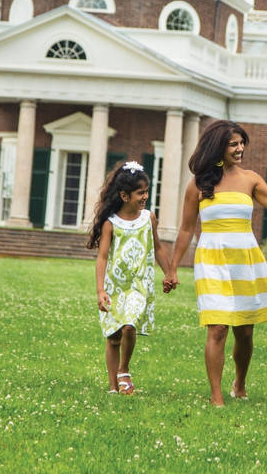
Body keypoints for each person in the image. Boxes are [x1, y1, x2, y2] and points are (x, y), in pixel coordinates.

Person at [164, 120, 267, 406]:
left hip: (245, 258)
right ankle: (216, 397)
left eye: (242, 143)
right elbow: (186, 229)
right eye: (233, 144)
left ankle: (239, 382)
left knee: (245, 331)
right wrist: (172, 267)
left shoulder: (250, 178)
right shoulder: (198, 184)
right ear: (218, 146)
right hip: (212, 258)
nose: (240, 149)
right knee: (217, 327)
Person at [87, 160, 171, 395]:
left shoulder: (148, 219)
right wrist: (100, 291)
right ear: (124, 196)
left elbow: (158, 248)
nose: (145, 196)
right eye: (140, 193)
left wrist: (170, 272)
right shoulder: (110, 224)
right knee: (113, 336)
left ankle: (123, 369)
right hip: (115, 286)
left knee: (129, 326)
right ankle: (114, 386)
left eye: (146, 191)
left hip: (138, 285)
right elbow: (102, 258)